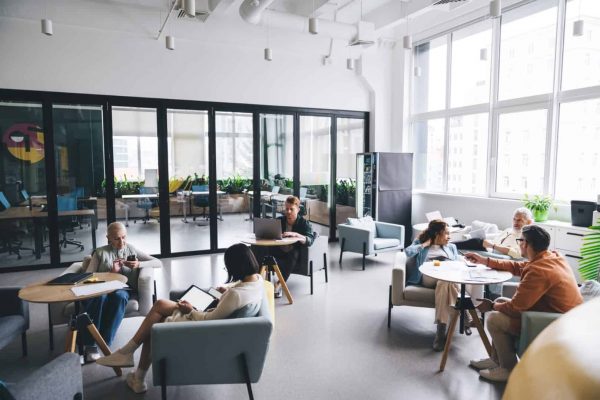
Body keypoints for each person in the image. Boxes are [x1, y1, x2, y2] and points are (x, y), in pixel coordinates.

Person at [96, 243, 264, 394]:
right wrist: (225, 289)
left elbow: (209, 319)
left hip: (205, 329)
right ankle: (133, 367)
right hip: (218, 324)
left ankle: (131, 363)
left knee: (157, 318)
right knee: (159, 309)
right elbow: (239, 290)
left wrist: (190, 310)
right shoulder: (258, 280)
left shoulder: (235, 295)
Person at [465, 225, 583, 383]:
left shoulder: (539, 271)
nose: (518, 243)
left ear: (526, 244)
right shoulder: (551, 257)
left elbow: (515, 308)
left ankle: (508, 369)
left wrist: (491, 306)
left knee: (494, 318)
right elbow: (517, 266)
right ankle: (497, 360)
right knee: (500, 302)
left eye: (520, 240)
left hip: (554, 323)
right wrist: (484, 260)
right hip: (559, 315)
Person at [82, 222, 157, 363]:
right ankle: (91, 345)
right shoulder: (100, 252)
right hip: (101, 288)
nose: (121, 242)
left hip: (123, 289)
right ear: (108, 238)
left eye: (124, 237)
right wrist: (111, 273)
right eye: (117, 238)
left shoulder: (131, 249)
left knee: (120, 297)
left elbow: (157, 262)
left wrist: (139, 264)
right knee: (100, 298)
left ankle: (105, 342)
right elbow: (87, 277)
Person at [405, 220, 483, 351]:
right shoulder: (422, 243)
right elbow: (408, 252)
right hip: (428, 276)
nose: (449, 237)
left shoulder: (451, 247)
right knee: (447, 281)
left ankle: (440, 333)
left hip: (447, 278)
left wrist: (467, 261)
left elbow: (457, 262)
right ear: (437, 234)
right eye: (446, 233)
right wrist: (425, 244)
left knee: (445, 282)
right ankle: (465, 314)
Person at [253, 196, 314, 298]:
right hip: (278, 250)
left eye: (291, 209)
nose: (288, 212)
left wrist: (297, 235)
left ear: (298, 210)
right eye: (286, 209)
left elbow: (310, 240)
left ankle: (279, 285)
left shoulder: (304, 224)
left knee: (294, 253)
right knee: (258, 248)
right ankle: (255, 281)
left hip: (292, 254)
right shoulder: (279, 221)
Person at [455, 207, 534, 259]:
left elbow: (517, 254)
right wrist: (487, 243)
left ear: (529, 222)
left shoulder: (526, 237)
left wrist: (492, 246)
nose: (515, 222)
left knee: (477, 241)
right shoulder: (508, 230)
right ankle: (449, 247)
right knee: (475, 242)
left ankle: (449, 245)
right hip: (492, 251)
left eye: (519, 220)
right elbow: (495, 241)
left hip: (501, 257)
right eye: (514, 219)